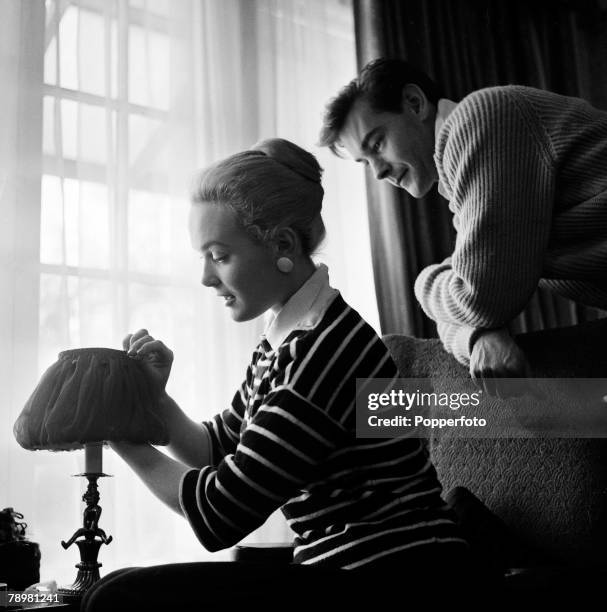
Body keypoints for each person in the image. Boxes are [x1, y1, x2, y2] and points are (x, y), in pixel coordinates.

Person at [81, 139, 475, 611]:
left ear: (283, 245)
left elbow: (222, 512)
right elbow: (218, 449)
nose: (206, 277)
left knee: (122, 600)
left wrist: (115, 432)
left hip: (398, 578)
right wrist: (153, 402)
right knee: (117, 588)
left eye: (219, 255)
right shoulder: (285, 339)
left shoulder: (322, 353)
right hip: (341, 569)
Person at [318, 58, 607, 394]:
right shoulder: (463, 180)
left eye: (377, 144)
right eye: (364, 162)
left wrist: (425, 283)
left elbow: (481, 299)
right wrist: (477, 336)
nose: (378, 172)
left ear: (415, 103)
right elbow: (475, 297)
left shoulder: (481, 116)